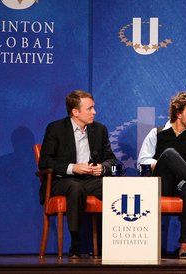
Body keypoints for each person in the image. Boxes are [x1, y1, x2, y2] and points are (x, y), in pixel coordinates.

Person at [38, 90, 117, 258]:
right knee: (75, 188)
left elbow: (111, 160)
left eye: (93, 108)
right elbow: (45, 162)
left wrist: (102, 168)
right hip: (63, 180)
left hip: (90, 179)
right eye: (90, 109)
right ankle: (75, 242)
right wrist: (73, 167)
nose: (94, 112)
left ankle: (112, 242)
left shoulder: (99, 129)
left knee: (114, 187)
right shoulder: (56, 129)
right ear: (75, 112)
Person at [137, 91, 186, 258]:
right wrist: (165, 163)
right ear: (179, 113)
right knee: (169, 154)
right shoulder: (156, 133)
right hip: (161, 183)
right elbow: (142, 162)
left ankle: (184, 246)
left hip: (183, 183)